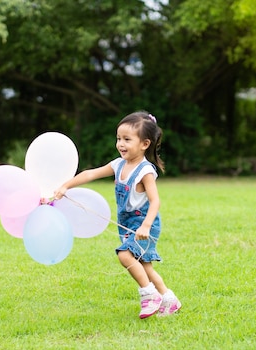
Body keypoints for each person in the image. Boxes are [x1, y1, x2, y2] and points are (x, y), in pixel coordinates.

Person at [54, 111, 181, 319]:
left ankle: (149, 295)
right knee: (145, 267)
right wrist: (66, 186)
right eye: (119, 138)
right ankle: (169, 299)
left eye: (127, 139)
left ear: (145, 144)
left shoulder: (145, 171)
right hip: (127, 223)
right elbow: (91, 173)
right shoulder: (118, 164)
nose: (120, 144)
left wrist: (146, 226)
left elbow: (155, 200)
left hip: (144, 223)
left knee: (124, 254)